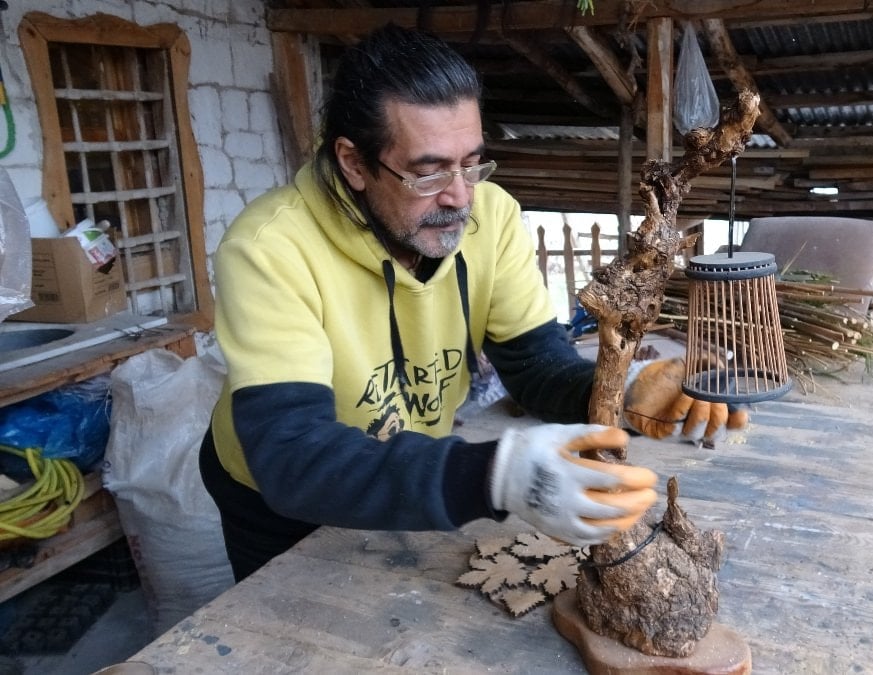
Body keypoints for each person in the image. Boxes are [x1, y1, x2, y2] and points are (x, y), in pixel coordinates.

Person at [199, 24, 748, 582]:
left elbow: (536, 367)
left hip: (405, 463)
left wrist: (627, 393)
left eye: (472, 163)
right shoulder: (269, 248)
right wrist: (495, 475)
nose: (460, 196)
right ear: (354, 163)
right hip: (278, 499)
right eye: (428, 172)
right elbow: (292, 456)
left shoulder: (492, 216)